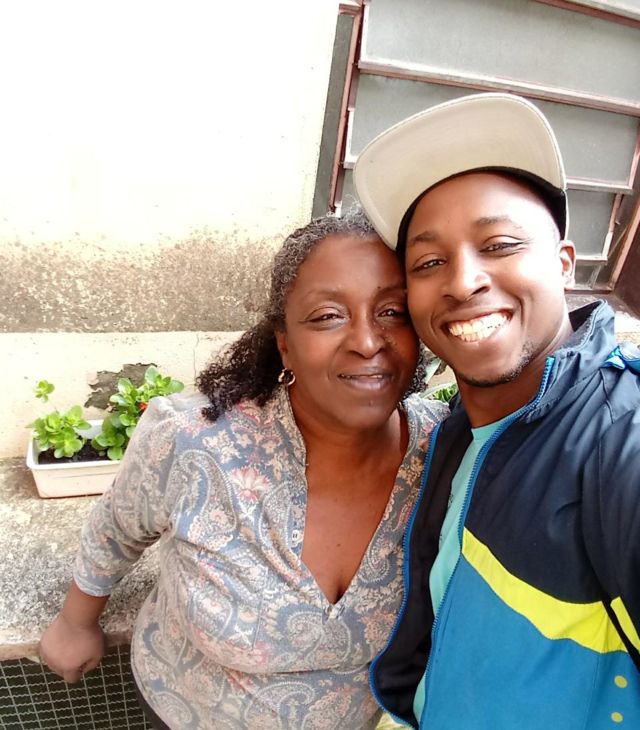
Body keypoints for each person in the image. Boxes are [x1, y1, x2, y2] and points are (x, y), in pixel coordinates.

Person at [38, 210, 447, 730]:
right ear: (284, 342)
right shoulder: (194, 441)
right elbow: (118, 525)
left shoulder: (446, 452)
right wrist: (76, 621)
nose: (368, 341)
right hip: (186, 711)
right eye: (327, 316)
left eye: (392, 311)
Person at [353, 93, 640, 729]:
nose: (462, 281)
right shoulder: (460, 430)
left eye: (501, 244)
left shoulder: (620, 441)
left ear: (563, 265)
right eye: (429, 262)